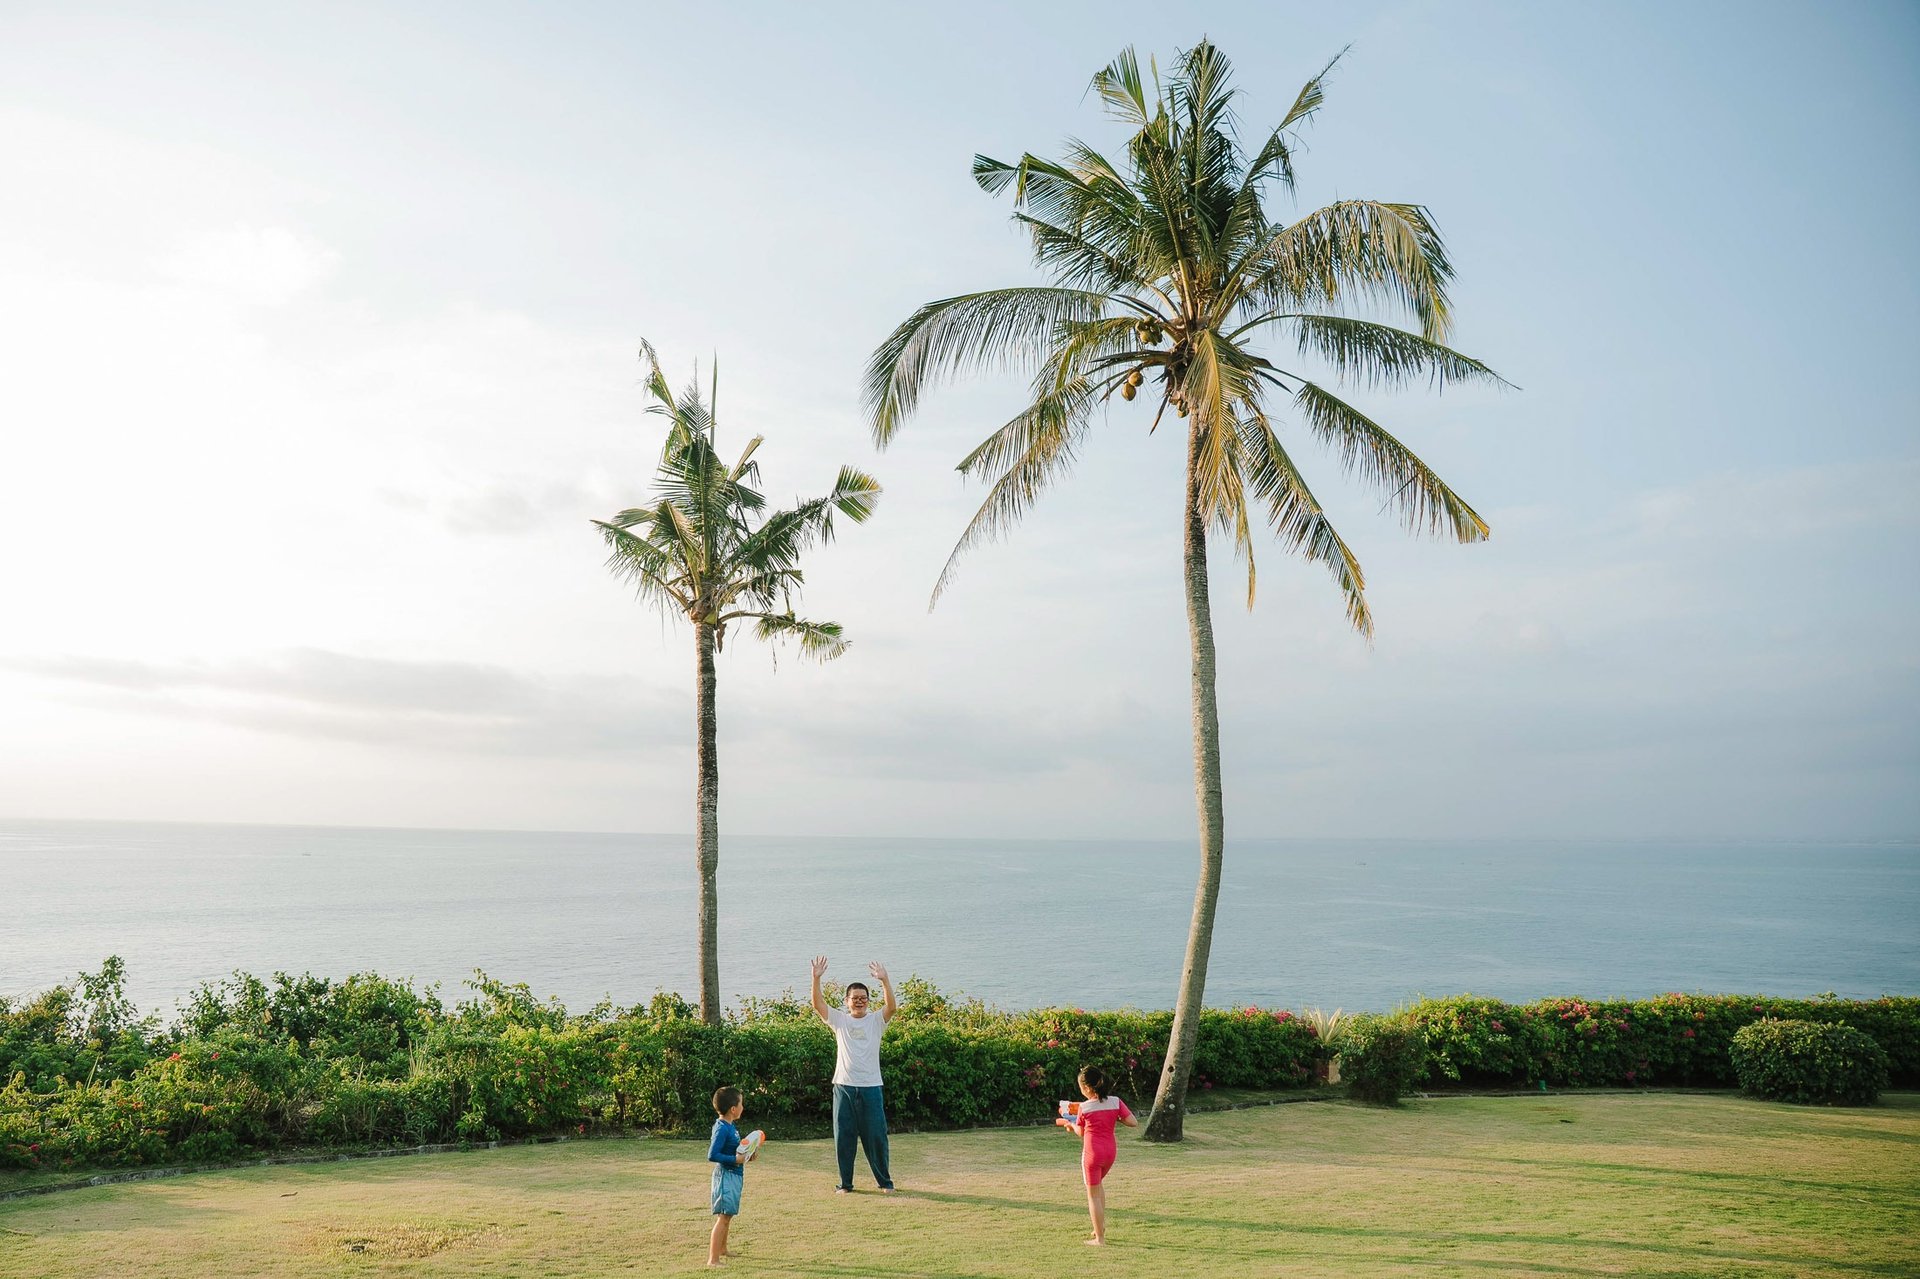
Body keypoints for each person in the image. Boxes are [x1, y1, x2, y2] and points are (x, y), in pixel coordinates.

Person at [810, 954, 897, 1193]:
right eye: (855, 998)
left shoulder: (876, 1020)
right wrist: (816, 978)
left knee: (877, 1138)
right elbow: (818, 1005)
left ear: (868, 1001)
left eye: (863, 998)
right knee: (844, 1138)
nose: (859, 1002)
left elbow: (891, 1007)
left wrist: (884, 980)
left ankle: (885, 1182)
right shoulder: (839, 1020)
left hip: (871, 1087)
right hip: (844, 1086)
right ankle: (845, 1184)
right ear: (846, 1001)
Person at [1062, 1064, 1136, 1245]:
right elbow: (1132, 1122)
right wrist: (1115, 1117)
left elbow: (1081, 1132)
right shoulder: (1116, 1102)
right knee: (1099, 1189)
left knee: (1092, 1195)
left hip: (1092, 1153)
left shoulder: (1085, 1107)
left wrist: (1070, 1125)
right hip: (1110, 1152)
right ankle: (1098, 1229)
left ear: (1087, 1088)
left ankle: (1100, 1238)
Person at [706, 1084, 755, 1265]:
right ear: (733, 1109)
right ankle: (713, 1259)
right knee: (723, 1217)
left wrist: (748, 1156)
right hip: (725, 1176)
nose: (743, 1107)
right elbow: (712, 1155)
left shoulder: (730, 1126)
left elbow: (737, 1151)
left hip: (734, 1175)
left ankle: (723, 1249)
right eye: (741, 1104)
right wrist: (736, 1159)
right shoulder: (721, 1128)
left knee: (728, 1216)